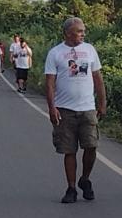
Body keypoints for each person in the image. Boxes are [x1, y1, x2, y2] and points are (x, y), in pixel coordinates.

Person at [44, 17, 106, 203]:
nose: (82, 34)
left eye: (83, 31)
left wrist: (102, 102)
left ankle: (85, 179)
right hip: (65, 109)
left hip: (88, 108)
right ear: (68, 33)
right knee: (69, 150)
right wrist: (52, 107)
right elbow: (50, 83)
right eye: (79, 31)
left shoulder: (89, 50)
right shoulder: (55, 53)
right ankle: (71, 188)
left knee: (91, 146)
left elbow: (97, 77)